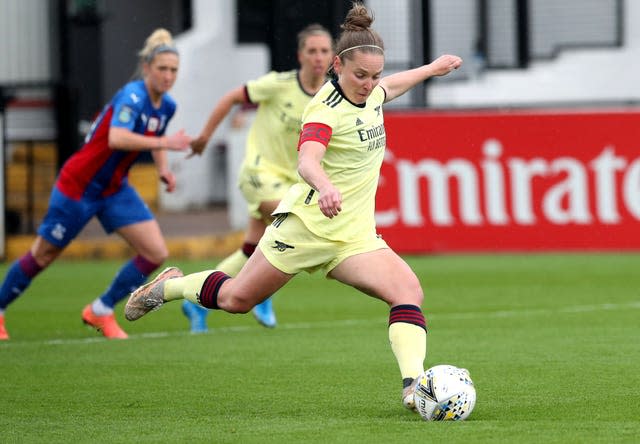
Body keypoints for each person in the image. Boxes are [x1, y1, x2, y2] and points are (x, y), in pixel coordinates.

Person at [125, 3, 461, 411]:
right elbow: (307, 160)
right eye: (360, 76)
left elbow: (393, 86)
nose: (369, 84)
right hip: (304, 227)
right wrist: (323, 187)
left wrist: (431, 68)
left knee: (408, 291)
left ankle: (413, 387)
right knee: (236, 300)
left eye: (375, 76)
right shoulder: (324, 108)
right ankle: (168, 287)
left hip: (352, 237)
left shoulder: (372, 93)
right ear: (338, 65)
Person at [0, 28, 191, 340]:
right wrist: (169, 143)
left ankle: (101, 310)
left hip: (114, 189)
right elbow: (117, 138)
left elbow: (156, 138)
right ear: (146, 68)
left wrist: (163, 169)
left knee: (155, 252)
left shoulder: (166, 106)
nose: (168, 76)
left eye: (173, 70)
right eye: (162, 69)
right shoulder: (132, 96)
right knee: (43, 255)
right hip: (79, 186)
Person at [181, 24, 334, 332]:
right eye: (312, 51)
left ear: (332, 56)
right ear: (300, 55)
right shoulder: (278, 84)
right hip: (259, 173)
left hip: (292, 181)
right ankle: (262, 290)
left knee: (252, 248)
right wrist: (204, 137)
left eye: (324, 51)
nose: (318, 57)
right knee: (294, 221)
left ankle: (194, 299)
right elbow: (230, 98)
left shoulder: (332, 96)